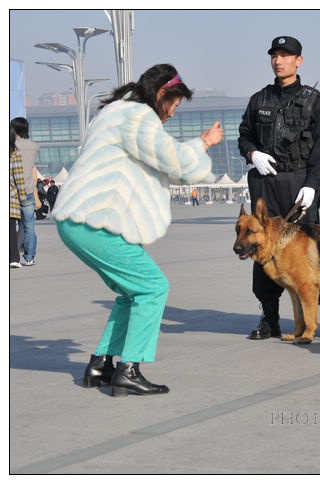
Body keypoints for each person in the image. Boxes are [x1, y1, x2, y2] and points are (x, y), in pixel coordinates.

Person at [52, 64, 224, 396]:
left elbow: (161, 163)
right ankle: (129, 369)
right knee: (153, 288)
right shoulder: (136, 118)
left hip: (80, 220)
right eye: (173, 105)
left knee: (132, 292)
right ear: (162, 94)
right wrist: (203, 143)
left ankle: (100, 364)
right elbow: (174, 161)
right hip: (93, 221)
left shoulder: (116, 114)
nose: (172, 114)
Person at [237, 35, 320, 340]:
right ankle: (270, 318)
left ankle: (305, 318)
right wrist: (253, 153)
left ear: (298, 61)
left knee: (304, 253)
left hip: (298, 181)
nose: (279, 60)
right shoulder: (259, 100)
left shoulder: (315, 102)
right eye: (274, 55)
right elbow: (244, 136)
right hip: (265, 182)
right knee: (261, 247)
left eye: (285, 55)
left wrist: (312, 186)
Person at [10, 117, 39, 266]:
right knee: (29, 226)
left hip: (13, 191)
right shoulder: (34, 146)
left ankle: (13, 256)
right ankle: (29, 257)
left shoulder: (12, 146)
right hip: (28, 190)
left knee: (10, 226)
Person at [10, 126, 27, 269]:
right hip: (10, 197)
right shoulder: (14, 153)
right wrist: (22, 196)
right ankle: (14, 258)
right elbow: (18, 178)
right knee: (10, 229)